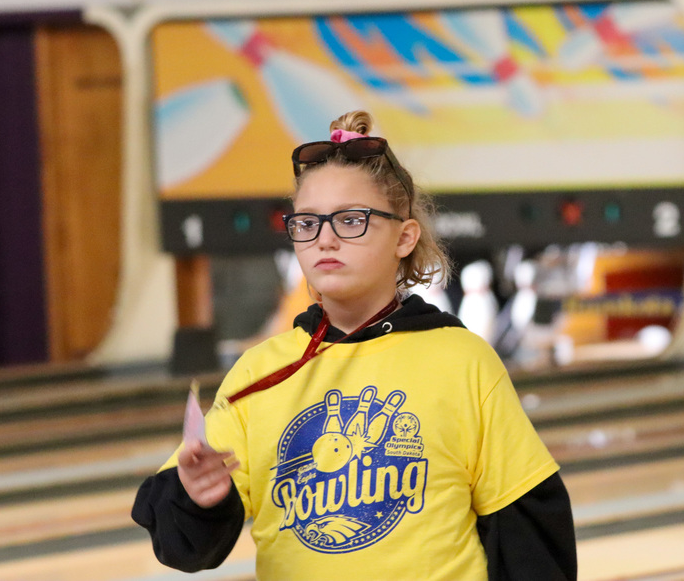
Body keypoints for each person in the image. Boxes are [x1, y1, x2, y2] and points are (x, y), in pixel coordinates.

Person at [131, 110, 577, 581]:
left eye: (350, 220)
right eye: (307, 223)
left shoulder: (463, 362)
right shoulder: (258, 372)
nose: (325, 239)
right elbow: (185, 545)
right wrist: (198, 496)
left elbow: (529, 533)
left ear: (404, 237)